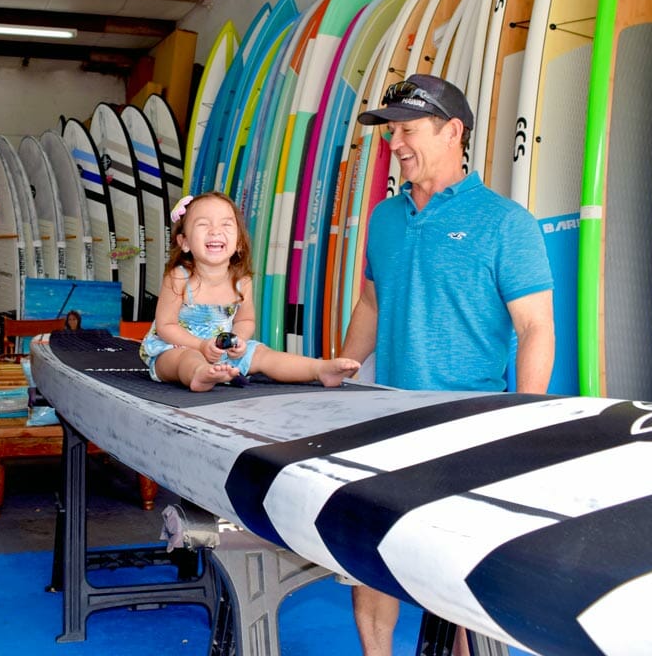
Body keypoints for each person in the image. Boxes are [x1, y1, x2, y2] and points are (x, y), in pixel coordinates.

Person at [341, 74, 555, 655]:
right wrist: (340, 365)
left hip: (469, 426)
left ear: (452, 130)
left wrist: (527, 419)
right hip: (389, 418)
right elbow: (371, 301)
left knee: (465, 579)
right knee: (371, 554)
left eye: (407, 130)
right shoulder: (385, 219)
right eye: (390, 134)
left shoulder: (507, 223)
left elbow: (536, 326)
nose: (396, 144)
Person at [140, 191, 361, 392]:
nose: (215, 231)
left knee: (263, 354)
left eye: (226, 225)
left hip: (223, 351)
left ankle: (319, 369)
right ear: (185, 242)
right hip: (176, 347)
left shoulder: (241, 281)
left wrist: (238, 341)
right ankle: (200, 375)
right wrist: (199, 346)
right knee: (185, 358)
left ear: (238, 243)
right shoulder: (179, 277)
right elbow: (165, 325)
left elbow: (246, 320)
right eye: (203, 224)